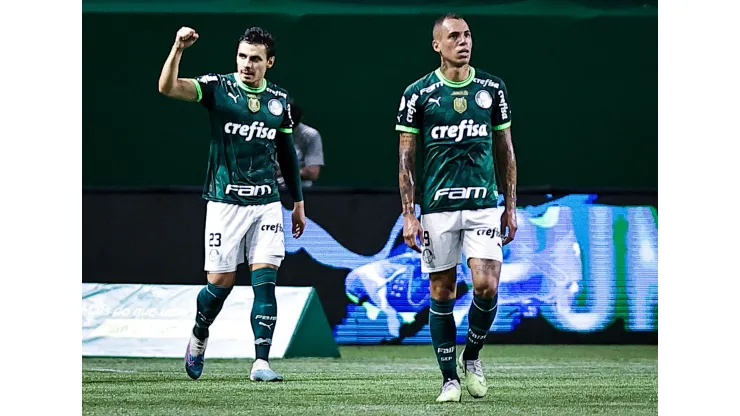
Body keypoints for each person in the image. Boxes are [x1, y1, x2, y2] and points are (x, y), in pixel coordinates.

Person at [157, 26, 306, 382]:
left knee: (266, 280)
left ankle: (261, 362)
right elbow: (167, 87)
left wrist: (297, 202)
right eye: (242, 56)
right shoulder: (218, 87)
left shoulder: (279, 101)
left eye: (255, 59)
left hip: (266, 202)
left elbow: (285, 153)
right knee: (220, 283)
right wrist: (178, 48)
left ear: (269, 62)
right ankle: (199, 332)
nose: (247, 65)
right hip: (225, 202)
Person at [395, 13, 518, 402]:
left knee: (486, 285)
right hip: (437, 209)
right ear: (437, 45)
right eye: (453, 36)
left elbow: (505, 151)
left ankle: (473, 356)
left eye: (466, 35)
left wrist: (510, 206)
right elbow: (406, 159)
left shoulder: (492, 89)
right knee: (442, 291)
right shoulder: (418, 94)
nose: (463, 42)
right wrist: (409, 213)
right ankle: (449, 379)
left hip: (483, 205)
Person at [275, 100, 325, 188]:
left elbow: (312, 173)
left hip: (301, 191)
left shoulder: (311, 135)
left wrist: (282, 172)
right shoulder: (265, 131)